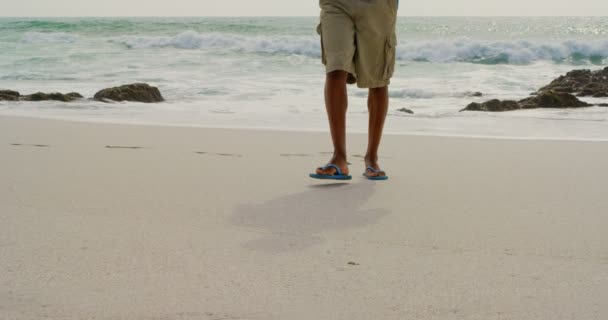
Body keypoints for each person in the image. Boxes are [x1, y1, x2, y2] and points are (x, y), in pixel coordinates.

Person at [310, 0, 398, 181]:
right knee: (335, 69)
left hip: (378, 6)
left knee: (377, 80)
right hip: (336, 4)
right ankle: (339, 157)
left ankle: (371, 158)